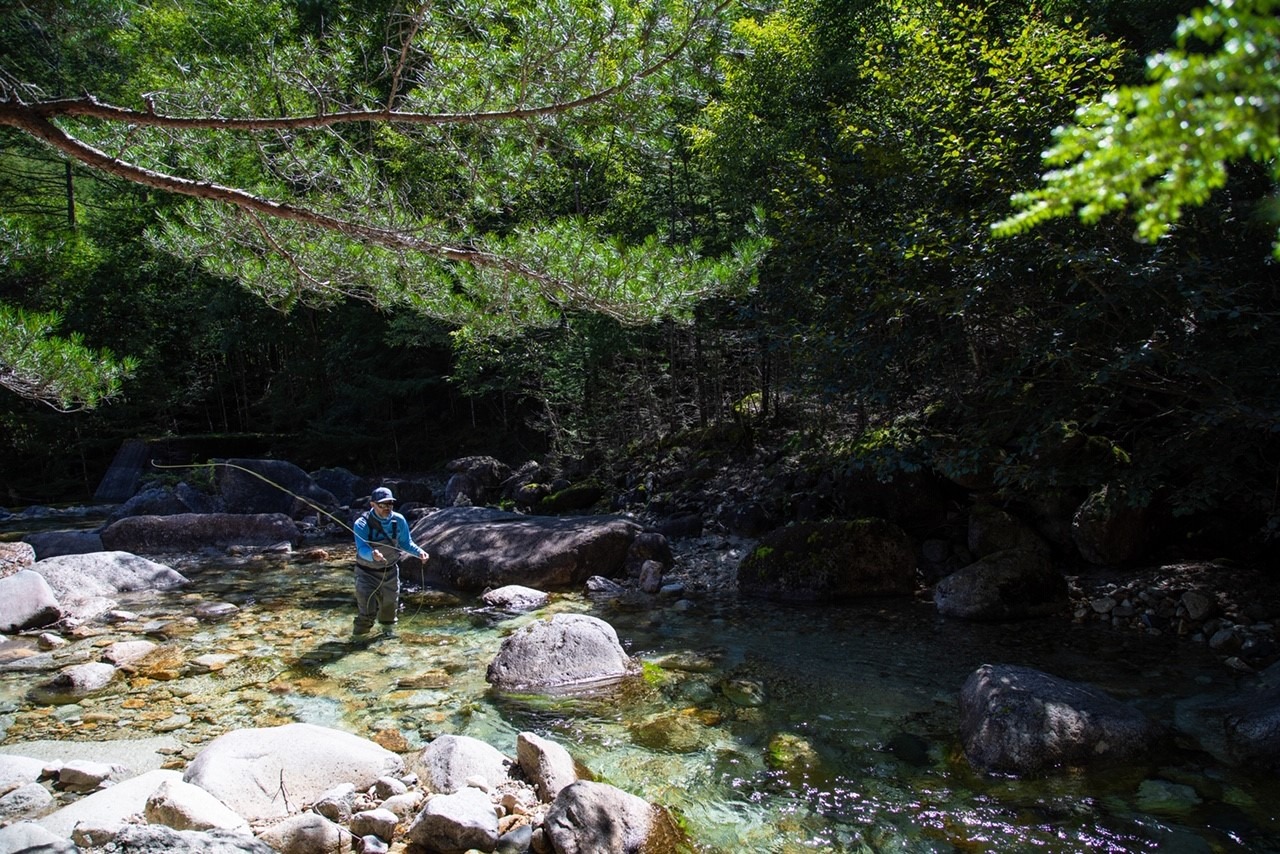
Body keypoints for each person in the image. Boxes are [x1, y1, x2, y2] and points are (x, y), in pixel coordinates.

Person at [352, 486, 428, 638]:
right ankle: (357, 641)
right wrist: (372, 555)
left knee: (389, 613)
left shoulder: (398, 520)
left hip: (391, 573)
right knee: (367, 614)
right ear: (373, 505)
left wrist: (419, 552)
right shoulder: (361, 524)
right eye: (383, 504)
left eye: (390, 504)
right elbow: (361, 549)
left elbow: (406, 543)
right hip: (366, 574)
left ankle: (387, 640)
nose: (387, 507)